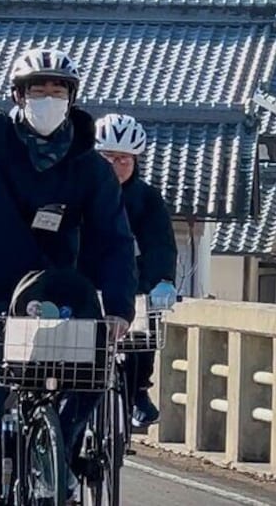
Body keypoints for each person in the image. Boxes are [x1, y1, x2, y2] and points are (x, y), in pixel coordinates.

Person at [0, 0, 137, 506]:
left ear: (72, 97)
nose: (46, 97)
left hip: (62, 297)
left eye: (56, 88)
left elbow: (113, 241)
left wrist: (117, 307)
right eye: (35, 89)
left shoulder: (90, 168)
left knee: (90, 383)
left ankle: (59, 460)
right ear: (18, 96)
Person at [79, 113, 178, 427]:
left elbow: (160, 244)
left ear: (135, 161)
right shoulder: (77, 190)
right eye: (107, 157)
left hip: (128, 280)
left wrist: (163, 281)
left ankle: (137, 392)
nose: (115, 166)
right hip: (81, 277)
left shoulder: (146, 199)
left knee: (144, 328)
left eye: (123, 159)